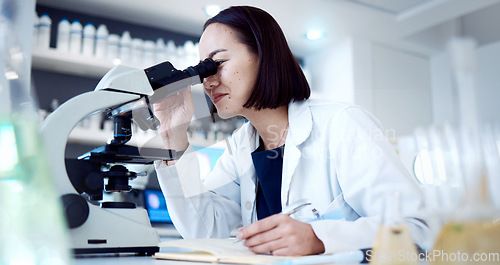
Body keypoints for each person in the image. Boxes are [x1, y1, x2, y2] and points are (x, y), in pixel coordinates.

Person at [153, 5, 428, 256]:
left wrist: (319, 238)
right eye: (203, 72)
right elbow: (204, 231)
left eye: (218, 63)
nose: (209, 82)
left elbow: (417, 229)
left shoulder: (343, 124)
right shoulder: (239, 147)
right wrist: (173, 133)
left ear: (264, 55)